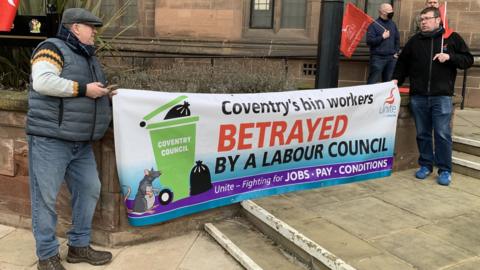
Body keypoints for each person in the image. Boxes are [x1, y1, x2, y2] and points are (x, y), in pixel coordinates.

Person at [28, 8, 114, 270]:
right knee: (45, 198)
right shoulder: (51, 47)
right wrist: (84, 89)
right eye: (91, 27)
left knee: (90, 189)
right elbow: (43, 82)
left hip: (81, 143)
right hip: (50, 141)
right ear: (75, 27)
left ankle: (78, 246)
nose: (95, 32)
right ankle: (47, 256)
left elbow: (87, 95)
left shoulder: (87, 57)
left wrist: (105, 95)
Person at [392, 7, 474, 186]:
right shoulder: (414, 41)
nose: (423, 22)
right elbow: (402, 63)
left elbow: (468, 60)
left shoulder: (451, 38)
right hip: (419, 96)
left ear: (438, 20)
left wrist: (450, 57)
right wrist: (396, 80)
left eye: (427, 18)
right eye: (421, 19)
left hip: (442, 96)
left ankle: (445, 170)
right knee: (422, 133)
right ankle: (426, 165)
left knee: (442, 134)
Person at [366, 3, 400, 84]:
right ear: (382, 12)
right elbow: (369, 41)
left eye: (392, 10)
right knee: (373, 81)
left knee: (388, 83)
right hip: (378, 58)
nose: (392, 12)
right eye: (389, 11)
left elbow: (397, 39)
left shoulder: (393, 24)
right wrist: (382, 37)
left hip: (391, 59)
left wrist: (396, 52)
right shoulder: (374, 25)